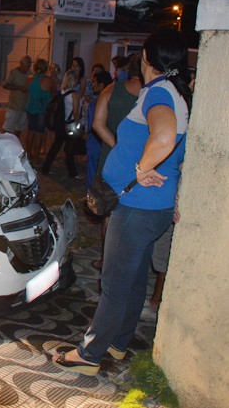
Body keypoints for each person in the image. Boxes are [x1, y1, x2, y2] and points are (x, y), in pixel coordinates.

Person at [53, 29, 191, 376]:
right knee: (132, 278)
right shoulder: (175, 92)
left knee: (114, 282)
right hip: (151, 207)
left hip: (137, 206)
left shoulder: (158, 92)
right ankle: (118, 342)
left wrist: (142, 168)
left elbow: (162, 136)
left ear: (146, 58)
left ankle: (90, 352)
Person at [91, 53, 142, 270]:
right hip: (142, 160)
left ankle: (106, 259)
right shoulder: (154, 94)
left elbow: (98, 124)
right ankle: (128, 261)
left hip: (111, 158)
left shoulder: (112, 89)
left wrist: (115, 144)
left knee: (109, 210)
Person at [41, 70, 82, 178]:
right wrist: (78, 125)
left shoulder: (62, 92)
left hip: (61, 123)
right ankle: (72, 172)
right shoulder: (74, 95)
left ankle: (46, 167)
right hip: (71, 123)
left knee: (56, 146)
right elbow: (76, 112)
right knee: (70, 149)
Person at [85, 70, 113, 191]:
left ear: (101, 85)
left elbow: (93, 123)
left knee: (92, 172)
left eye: (95, 83)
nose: (93, 86)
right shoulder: (114, 99)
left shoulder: (96, 102)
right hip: (112, 139)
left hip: (96, 140)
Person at [25, 58, 56, 163]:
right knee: (39, 134)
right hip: (41, 110)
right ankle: (36, 158)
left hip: (30, 108)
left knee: (30, 132)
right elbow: (54, 93)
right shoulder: (48, 80)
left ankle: (29, 155)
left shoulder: (29, 79)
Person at [2, 55, 32, 138]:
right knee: (8, 128)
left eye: (30, 63)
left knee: (19, 128)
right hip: (14, 106)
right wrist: (18, 88)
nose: (29, 65)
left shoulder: (30, 73)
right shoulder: (14, 72)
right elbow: (5, 85)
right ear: (21, 63)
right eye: (27, 63)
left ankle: (15, 143)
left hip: (24, 107)